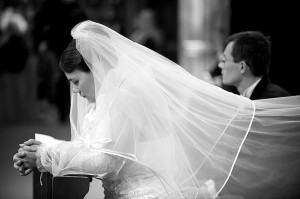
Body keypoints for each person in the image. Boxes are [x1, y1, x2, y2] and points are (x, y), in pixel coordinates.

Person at [13, 21, 300, 199]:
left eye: (76, 81)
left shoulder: (125, 94)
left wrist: (47, 155)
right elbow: (91, 148)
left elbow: (107, 163)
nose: (75, 91)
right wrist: (43, 148)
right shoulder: (106, 99)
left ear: (96, 70)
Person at [218, 31, 290, 100]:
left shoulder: (276, 100)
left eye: (224, 61)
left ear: (242, 67)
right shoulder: (234, 95)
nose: (220, 65)